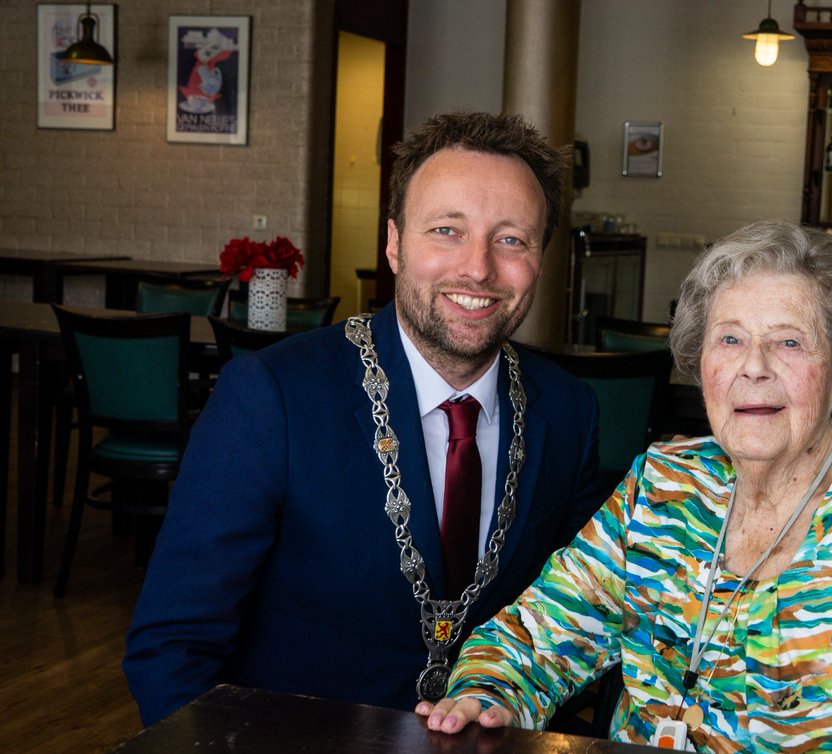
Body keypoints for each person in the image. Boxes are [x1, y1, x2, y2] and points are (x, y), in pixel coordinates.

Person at [418, 220, 832, 751]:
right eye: (729, 339)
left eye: (789, 343)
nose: (753, 367)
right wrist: (485, 693)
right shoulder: (663, 486)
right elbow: (534, 637)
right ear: (699, 364)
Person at [123, 111, 608, 725]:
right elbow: (173, 647)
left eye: (511, 239)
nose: (479, 268)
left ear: (540, 257)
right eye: (446, 230)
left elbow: (579, 624)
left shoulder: (567, 409)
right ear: (394, 243)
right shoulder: (273, 395)